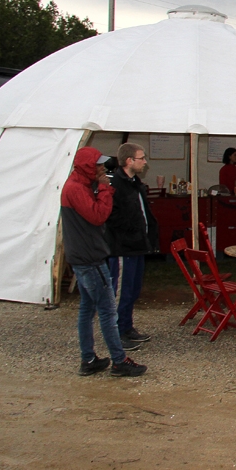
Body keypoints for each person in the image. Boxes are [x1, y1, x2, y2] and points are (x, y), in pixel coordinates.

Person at [62, 147, 146, 378]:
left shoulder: (78, 185)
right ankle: (119, 361)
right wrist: (105, 190)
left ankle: (88, 359)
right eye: (98, 165)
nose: (102, 168)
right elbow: (99, 216)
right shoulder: (77, 189)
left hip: (84, 254)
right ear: (88, 166)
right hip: (89, 257)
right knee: (108, 310)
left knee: (87, 309)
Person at [106, 142, 159, 350]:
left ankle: (127, 327)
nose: (144, 162)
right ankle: (116, 333)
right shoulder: (116, 184)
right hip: (123, 247)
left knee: (133, 289)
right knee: (121, 291)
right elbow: (112, 216)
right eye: (141, 158)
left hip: (137, 245)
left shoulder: (134, 182)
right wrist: (131, 229)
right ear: (129, 161)